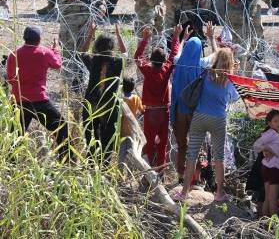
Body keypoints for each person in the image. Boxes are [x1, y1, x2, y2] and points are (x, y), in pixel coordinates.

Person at [175, 48, 240, 202]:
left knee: (192, 155)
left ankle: (184, 192)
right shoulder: (230, 80)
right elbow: (234, 98)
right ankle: (219, 193)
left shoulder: (206, 73)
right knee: (219, 157)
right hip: (218, 119)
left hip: (199, 116)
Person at [6, 26, 69, 161]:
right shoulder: (44, 52)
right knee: (61, 127)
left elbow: (10, 79)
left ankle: (11, 165)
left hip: (19, 101)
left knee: (15, 136)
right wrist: (56, 50)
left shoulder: (14, 54)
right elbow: (57, 64)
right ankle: (65, 161)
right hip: (39, 101)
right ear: (39, 39)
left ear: (24, 38)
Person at [170, 23, 218, 184]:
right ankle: (196, 178)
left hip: (179, 111)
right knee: (196, 145)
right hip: (195, 111)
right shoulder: (202, 63)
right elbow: (217, 56)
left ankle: (180, 176)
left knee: (182, 145)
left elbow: (177, 51)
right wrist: (211, 38)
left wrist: (181, 38)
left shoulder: (178, 61)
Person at [134, 24, 182, 170]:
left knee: (149, 141)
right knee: (162, 143)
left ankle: (150, 167)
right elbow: (174, 55)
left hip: (150, 112)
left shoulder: (147, 69)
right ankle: (160, 169)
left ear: (151, 60)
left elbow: (137, 57)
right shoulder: (166, 69)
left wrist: (145, 39)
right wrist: (176, 37)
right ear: (163, 60)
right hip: (163, 112)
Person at [79, 23, 127, 162]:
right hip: (109, 104)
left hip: (91, 103)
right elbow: (125, 54)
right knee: (108, 136)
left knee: (91, 135)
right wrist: (118, 35)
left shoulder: (94, 61)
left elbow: (82, 52)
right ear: (112, 47)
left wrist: (91, 34)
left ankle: (91, 162)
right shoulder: (117, 62)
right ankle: (104, 164)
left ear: (97, 47)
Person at [252, 109, 279, 217]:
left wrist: (266, 149)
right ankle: (275, 227)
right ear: (269, 123)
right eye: (275, 121)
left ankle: (265, 224)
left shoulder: (273, 134)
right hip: (274, 168)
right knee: (273, 198)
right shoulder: (271, 133)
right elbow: (256, 145)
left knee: (268, 197)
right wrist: (267, 149)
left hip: (268, 167)